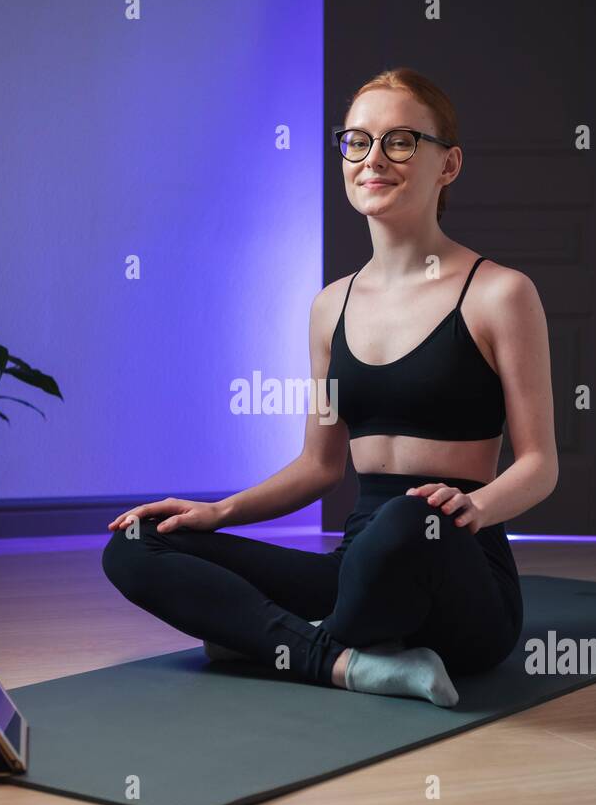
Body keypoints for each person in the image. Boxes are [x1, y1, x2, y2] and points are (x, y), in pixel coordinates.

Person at [102, 67, 557, 708]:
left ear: (448, 165)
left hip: (456, 568)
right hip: (357, 567)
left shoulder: (500, 293)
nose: (373, 159)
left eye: (401, 141)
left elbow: (540, 465)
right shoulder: (329, 306)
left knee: (408, 520)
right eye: (356, 141)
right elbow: (320, 466)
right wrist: (216, 512)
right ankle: (345, 659)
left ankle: (278, 643)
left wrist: (476, 509)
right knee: (134, 544)